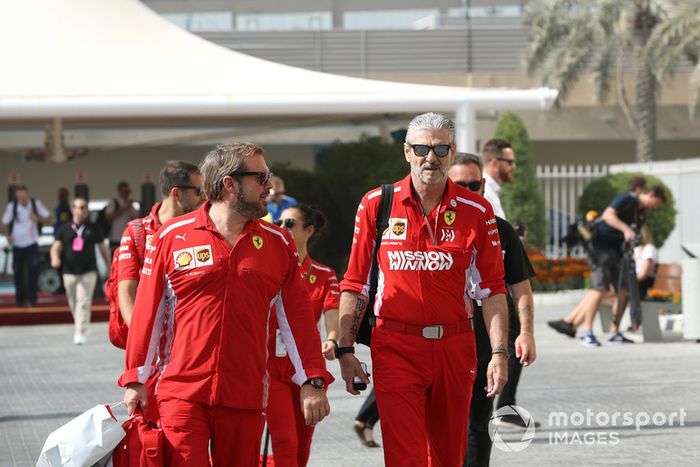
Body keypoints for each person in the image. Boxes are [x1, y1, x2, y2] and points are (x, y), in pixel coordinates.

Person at [119, 142, 332, 467]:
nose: (269, 187)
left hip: (245, 394)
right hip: (181, 392)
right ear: (229, 183)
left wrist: (313, 380)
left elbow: (297, 317)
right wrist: (136, 377)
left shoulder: (277, 242)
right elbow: (149, 312)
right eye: (260, 178)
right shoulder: (172, 236)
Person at [337, 112, 509, 466]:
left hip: (456, 347)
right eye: (421, 148)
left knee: (448, 456)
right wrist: (345, 349)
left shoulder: (478, 209)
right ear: (407, 152)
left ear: (453, 151)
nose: (430, 157)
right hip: (396, 346)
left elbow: (491, 289)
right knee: (405, 456)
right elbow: (356, 283)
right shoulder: (376, 204)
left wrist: (499, 353)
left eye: (440, 148)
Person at [448, 153, 537, 467]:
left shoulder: (501, 230)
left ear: (484, 184)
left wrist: (526, 333)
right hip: (443, 342)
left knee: (477, 420)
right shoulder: (433, 229)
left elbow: (520, 287)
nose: (470, 191)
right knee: (444, 422)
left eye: (475, 184)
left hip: (487, 342)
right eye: (461, 185)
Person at [266, 204, 339, 467]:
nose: (281, 228)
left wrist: (332, 337)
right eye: (278, 223)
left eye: (288, 224)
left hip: (306, 369)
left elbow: (333, 310)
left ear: (308, 230)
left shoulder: (324, 275)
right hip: (271, 368)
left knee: (301, 446)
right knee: (285, 441)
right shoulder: (268, 269)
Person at [574, 185, 666, 347]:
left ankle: (614, 332)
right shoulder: (627, 199)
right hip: (600, 246)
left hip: (617, 252)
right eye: (656, 204)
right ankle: (586, 332)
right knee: (600, 288)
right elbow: (609, 215)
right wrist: (626, 230)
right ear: (650, 194)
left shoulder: (640, 212)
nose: (655, 208)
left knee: (623, 289)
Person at [117, 160, 204, 329]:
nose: (204, 197)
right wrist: (140, 336)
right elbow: (127, 290)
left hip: (191, 335)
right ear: (176, 193)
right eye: (199, 191)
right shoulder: (138, 232)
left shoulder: (202, 229)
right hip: (155, 339)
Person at [50, 197, 111, 344]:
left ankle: (80, 332)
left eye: (85, 207)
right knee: (73, 302)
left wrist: (109, 266)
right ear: (73, 209)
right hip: (69, 271)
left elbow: (103, 248)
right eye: (80, 207)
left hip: (88, 271)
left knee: (83, 302)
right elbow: (55, 247)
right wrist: (55, 258)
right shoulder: (64, 229)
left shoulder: (93, 227)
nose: (83, 210)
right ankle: (81, 325)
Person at [1, 185, 51, 307]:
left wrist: (37, 218)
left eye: (24, 196)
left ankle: (32, 299)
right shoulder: (12, 207)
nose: (22, 199)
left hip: (32, 243)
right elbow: (4, 222)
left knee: (33, 272)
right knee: (17, 272)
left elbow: (49, 219)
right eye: (19, 197)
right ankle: (19, 299)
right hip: (17, 244)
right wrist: (7, 235)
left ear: (27, 195)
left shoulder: (35, 204)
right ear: (17, 196)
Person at [481, 139, 516, 219]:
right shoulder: (485, 193)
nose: (514, 166)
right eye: (510, 162)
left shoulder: (490, 190)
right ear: (495, 163)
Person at [105, 181, 138, 254]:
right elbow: (109, 217)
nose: (126, 194)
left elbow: (137, 218)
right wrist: (123, 209)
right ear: (119, 191)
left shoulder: (131, 205)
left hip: (128, 238)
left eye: (128, 192)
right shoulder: (114, 202)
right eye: (124, 191)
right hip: (115, 238)